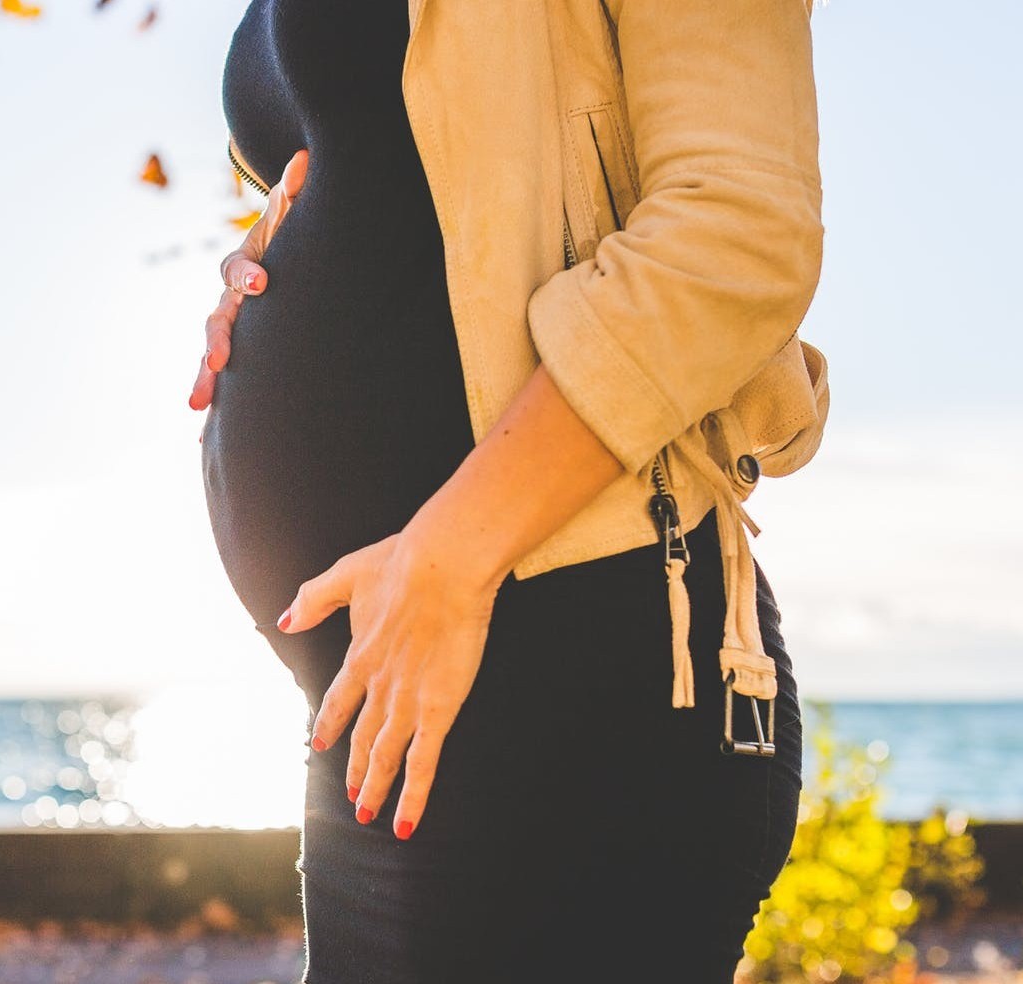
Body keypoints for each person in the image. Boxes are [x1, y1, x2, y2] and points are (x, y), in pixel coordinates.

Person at [188, 0, 831, 980]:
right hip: (391, 689)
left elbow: (737, 232)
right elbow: (397, 172)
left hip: (577, 661)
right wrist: (263, 250)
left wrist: (455, 552)